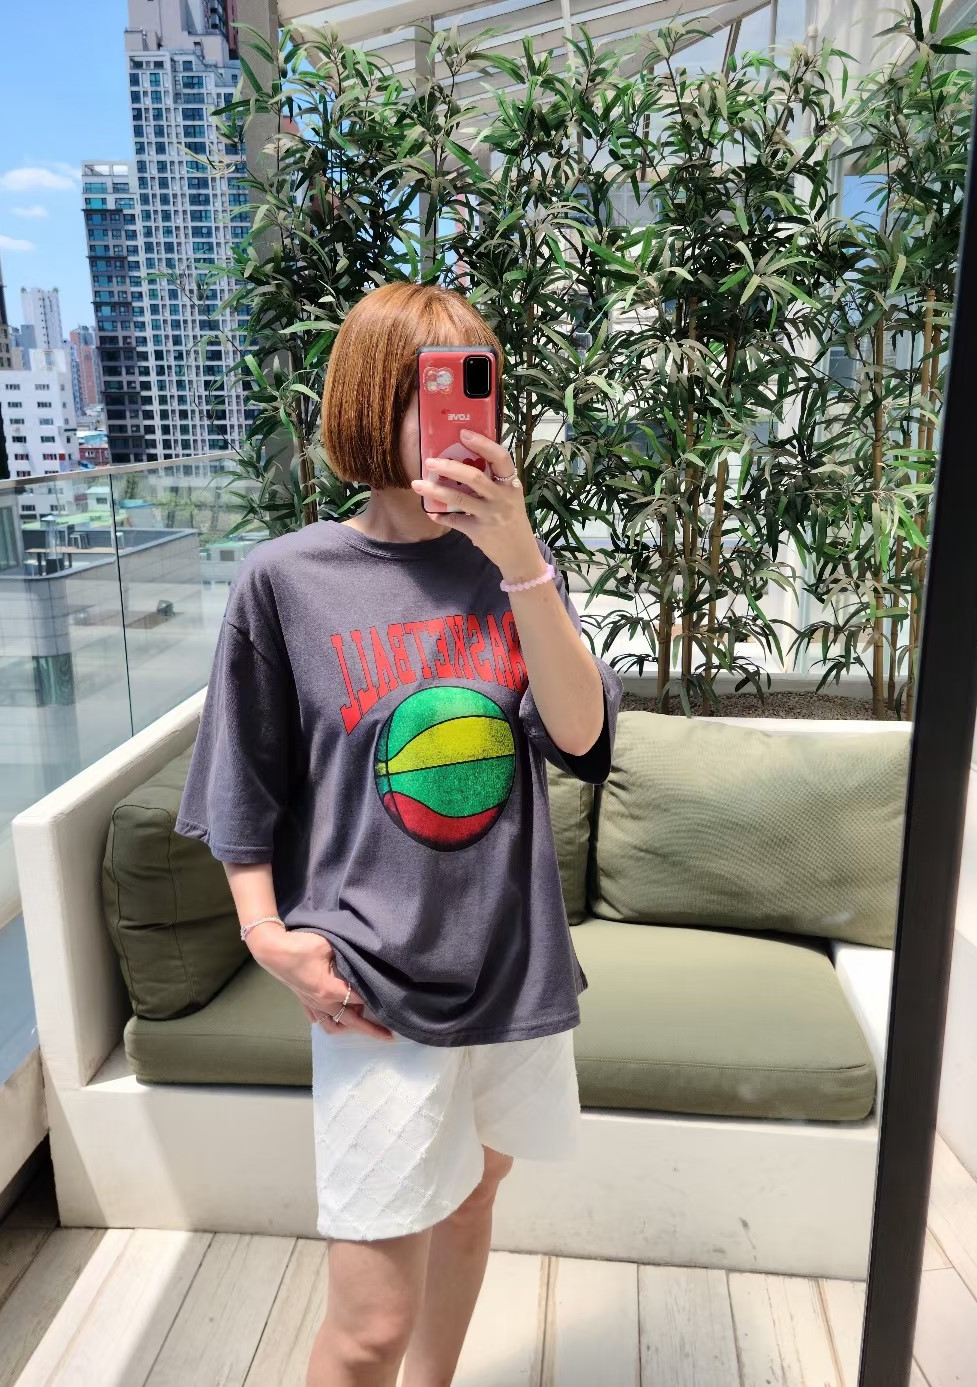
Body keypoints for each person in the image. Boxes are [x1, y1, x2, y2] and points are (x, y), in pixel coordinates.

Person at [174, 281, 623, 1387]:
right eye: (435, 386)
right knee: (369, 1323)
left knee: (472, 1206)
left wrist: (521, 560)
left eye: (477, 384)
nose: (463, 413)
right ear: (376, 401)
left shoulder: (515, 572)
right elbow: (242, 779)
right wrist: (265, 936)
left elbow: (578, 733)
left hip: (510, 968)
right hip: (371, 985)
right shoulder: (286, 581)